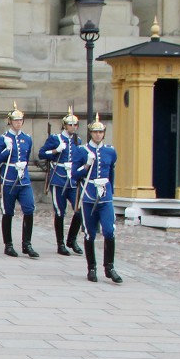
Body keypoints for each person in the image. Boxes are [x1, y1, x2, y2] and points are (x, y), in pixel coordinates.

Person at [72, 115, 122, 283]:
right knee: (89, 233)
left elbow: (111, 171)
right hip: (89, 194)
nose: (98, 135)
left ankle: (110, 267)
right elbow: (74, 175)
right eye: (95, 132)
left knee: (109, 230)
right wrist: (86, 165)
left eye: (100, 132)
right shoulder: (82, 150)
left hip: (105, 195)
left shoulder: (110, 151)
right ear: (90, 134)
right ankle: (91, 267)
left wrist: (111, 191)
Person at [0, 102, 39, 258]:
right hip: (9, 178)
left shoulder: (27, 139)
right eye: (16, 120)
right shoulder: (2, 139)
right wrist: (7, 150)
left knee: (29, 208)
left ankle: (27, 243)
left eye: (21, 120)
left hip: (23, 178)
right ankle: (8, 244)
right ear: (10, 122)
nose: (19, 123)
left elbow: (26, 156)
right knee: (8, 212)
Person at [38, 107, 84, 256]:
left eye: (75, 125)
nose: (73, 127)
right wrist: (55, 151)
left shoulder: (78, 140)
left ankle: (72, 239)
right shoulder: (55, 139)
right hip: (58, 178)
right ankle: (60, 243)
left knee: (79, 209)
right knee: (60, 211)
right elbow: (41, 154)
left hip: (73, 180)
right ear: (64, 125)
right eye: (70, 125)